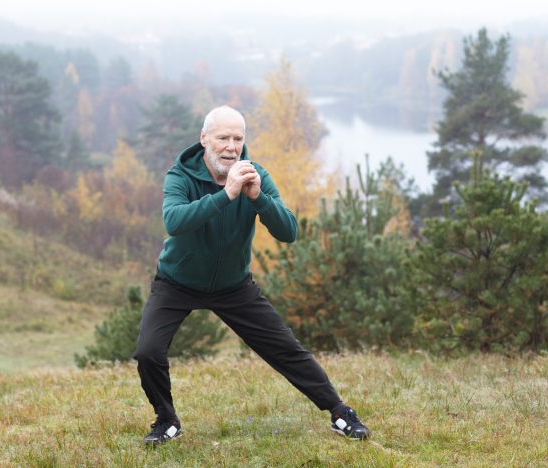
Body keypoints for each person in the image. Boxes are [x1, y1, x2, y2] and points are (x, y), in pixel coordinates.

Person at [133, 105, 370, 446]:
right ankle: (166, 419)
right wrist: (226, 194)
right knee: (148, 351)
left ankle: (339, 412)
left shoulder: (255, 174)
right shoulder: (180, 176)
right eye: (223, 138)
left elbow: (289, 232)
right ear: (204, 139)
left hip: (233, 286)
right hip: (177, 283)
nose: (231, 147)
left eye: (238, 139)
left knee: (286, 349)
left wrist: (258, 198)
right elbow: (174, 221)